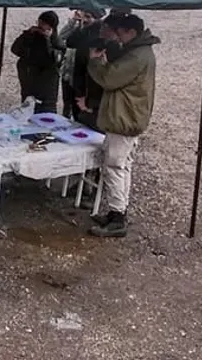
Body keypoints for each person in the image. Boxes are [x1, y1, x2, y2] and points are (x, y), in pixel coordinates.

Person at [86, 13, 159, 238]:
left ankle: (118, 218)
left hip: (124, 119)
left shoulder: (137, 56)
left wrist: (95, 61)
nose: (117, 37)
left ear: (132, 33)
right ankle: (118, 212)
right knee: (123, 166)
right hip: (128, 118)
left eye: (120, 33)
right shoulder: (140, 52)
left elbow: (109, 79)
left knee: (114, 167)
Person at [10, 10, 62, 113]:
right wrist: (27, 34)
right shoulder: (32, 37)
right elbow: (15, 49)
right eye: (39, 22)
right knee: (27, 111)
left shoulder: (57, 42)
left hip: (47, 90)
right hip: (29, 83)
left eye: (43, 24)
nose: (40, 25)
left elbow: (54, 60)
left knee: (46, 115)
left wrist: (47, 40)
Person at [60, 8, 105, 122]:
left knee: (85, 118)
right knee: (75, 113)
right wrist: (77, 24)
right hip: (76, 78)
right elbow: (69, 42)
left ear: (97, 18)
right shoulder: (83, 29)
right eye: (84, 16)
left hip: (88, 82)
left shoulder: (99, 34)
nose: (84, 19)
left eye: (88, 17)